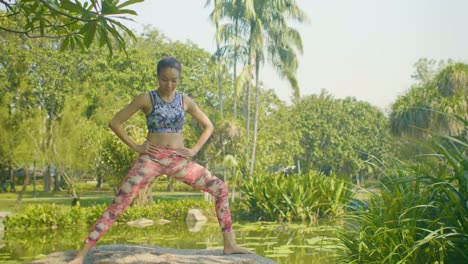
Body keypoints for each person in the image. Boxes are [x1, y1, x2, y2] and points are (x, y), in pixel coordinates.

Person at [70, 56, 251, 264]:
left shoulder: (185, 100)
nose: (169, 84)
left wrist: (193, 150)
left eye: (174, 80)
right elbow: (115, 122)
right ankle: (81, 255)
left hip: (178, 160)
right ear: (157, 77)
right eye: (165, 79)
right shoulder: (146, 98)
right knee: (119, 203)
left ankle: (229, 245)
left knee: (220, 188)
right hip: (151, 159)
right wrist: (137, 146)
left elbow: (208, 126)